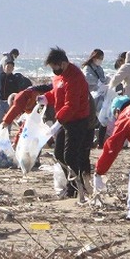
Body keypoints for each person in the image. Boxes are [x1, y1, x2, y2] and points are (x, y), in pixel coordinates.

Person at [40, 48, 93, 202]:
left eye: (54, 67)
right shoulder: (59, 77)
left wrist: (58, 122)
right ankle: (72, 184)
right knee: (58, 154)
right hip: (65, 120)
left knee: (70, 155)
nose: (54, 70)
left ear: (63, 63)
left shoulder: (75, 77)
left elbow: (72, 105)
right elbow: (57, 93)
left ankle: (75, 188)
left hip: (77, 120)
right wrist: (46, 98)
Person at [81, 48, 109, 147]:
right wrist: (98, 82)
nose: (100, 60)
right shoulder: (88, 68)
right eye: (99, 58)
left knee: (102, 118)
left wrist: (106, 81)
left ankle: (99, 141)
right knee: (93, 119)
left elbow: (103, 79)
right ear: (94, 57)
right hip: (91, 95)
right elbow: (87, 78)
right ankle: (91, 141)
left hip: (100, 94)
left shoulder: (99, 68)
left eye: (102, 58)